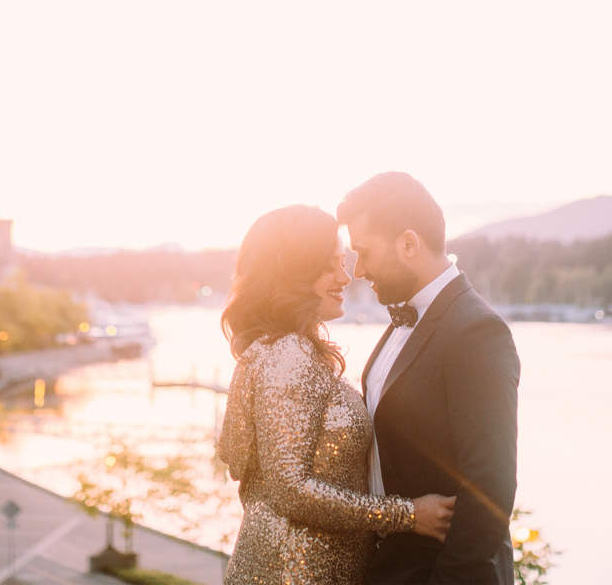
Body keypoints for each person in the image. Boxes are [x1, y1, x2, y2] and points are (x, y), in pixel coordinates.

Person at [217, 204, 455, 584]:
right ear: (292, 271)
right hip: (292, 574)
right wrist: (408, 515)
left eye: (342, 262)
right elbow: (290, 490)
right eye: (330, 265)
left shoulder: (286, 350)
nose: (345, 277)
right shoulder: (287, 354)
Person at [339, 172, 521, 585]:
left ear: (408, 244)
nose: (359, 270)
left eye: (364, 253)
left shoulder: (477, 332)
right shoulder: (406, 318)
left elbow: (489, 487)